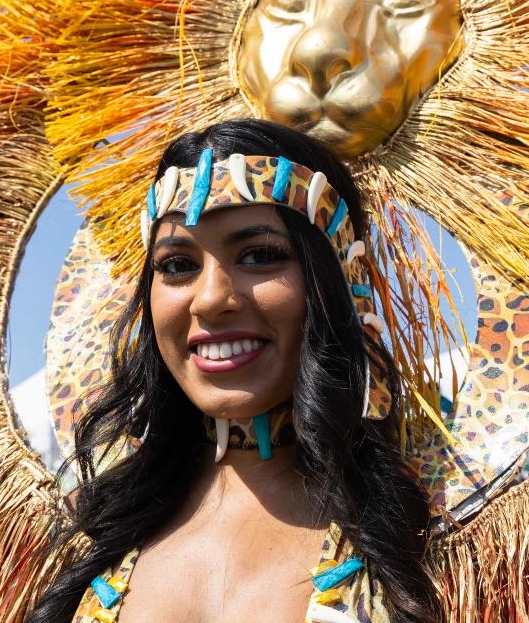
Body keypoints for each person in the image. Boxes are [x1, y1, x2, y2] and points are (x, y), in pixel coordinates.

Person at [28, 119, 439, 623]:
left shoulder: (434, 543)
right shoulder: (86, 543)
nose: (212, 299)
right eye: (177, 265)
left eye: (260, 256)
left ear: (335, 286)